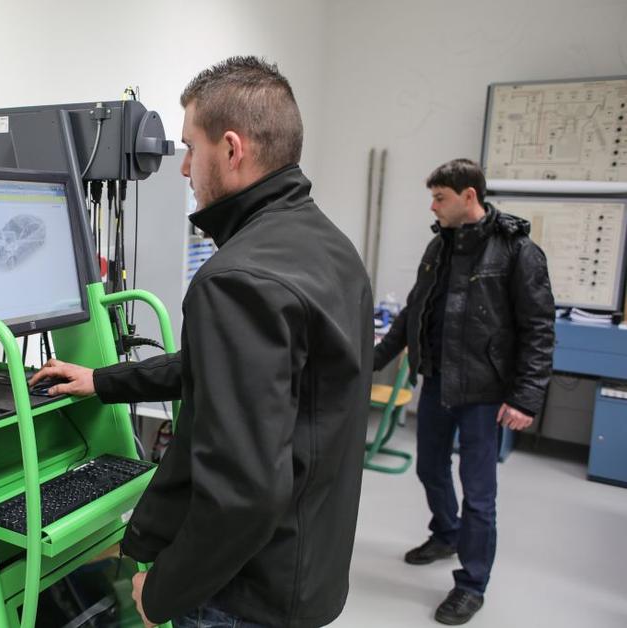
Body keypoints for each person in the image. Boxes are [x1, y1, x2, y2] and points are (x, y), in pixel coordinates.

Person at [30, 56, 373, 627]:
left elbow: (244, 494)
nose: (185, 167)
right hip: (305, 570)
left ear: (232, 149)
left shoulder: (237, 278)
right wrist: (103, 381)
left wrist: (162, 591)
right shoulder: (327, 246)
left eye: (191, 147)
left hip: (242, 595)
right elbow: (233, 372)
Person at [373, 158, 555, 625]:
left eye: (440, 198)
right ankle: (447, 533)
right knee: (430, 468)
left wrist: (525, 398)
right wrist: (369, 361)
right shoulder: (439, 246)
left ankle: (472, 584)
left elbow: (538, 329)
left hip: (484, 393)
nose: (433, 207)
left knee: (479, 493)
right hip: (437, 383)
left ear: (469, 196)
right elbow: (413, 313)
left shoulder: (517, 251)